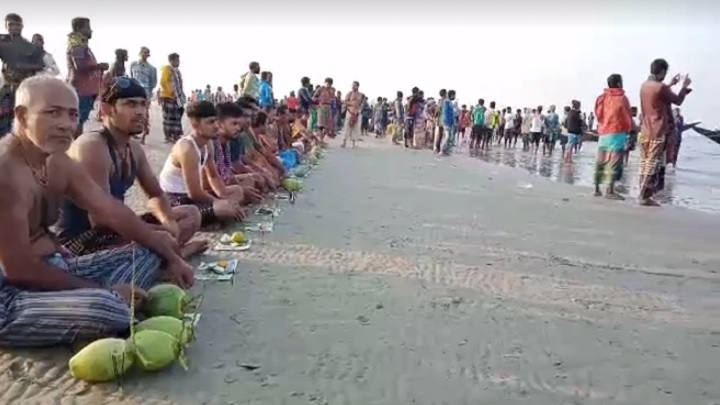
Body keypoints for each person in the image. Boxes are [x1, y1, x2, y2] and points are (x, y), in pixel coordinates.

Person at [0, 75, 194, 347]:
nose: (66, 124)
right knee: (110, 308)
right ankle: (106, 304)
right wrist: (104, 291)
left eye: (72, 114)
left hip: (55, 264)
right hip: (8, 296)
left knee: (150, 250)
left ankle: (104, 302)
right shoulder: (6, 171)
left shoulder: (57, 162)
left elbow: (112, 210)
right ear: (22, 116)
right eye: (52, 112)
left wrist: (172, 257)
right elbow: (18, 269)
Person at [56, 76, 207, 258]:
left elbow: (156, 194)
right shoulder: (92, 147)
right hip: (82, 240)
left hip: (115, 228)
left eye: (143, 104)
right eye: (131, 104)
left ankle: (165, 255)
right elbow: (101, 220)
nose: (140, 112)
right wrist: (158, 232)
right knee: (162, 238)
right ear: (107, 109)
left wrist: (167, 220)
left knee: (191, 214)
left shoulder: (133, 148)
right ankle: (172, 255)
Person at [159, 100, 247, 224]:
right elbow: (194, 192)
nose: (216, 126)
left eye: (216, 121)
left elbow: (213, 176)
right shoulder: (187, 149)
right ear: (195, 125)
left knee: (237, 191)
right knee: (223, 209)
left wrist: (223, 196)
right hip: (175, 199)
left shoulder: (208, 144)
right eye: (210, 122)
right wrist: (218, 202)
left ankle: (216, 214)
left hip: (190, 196)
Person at [638, 58, 692, 207]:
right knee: (653, 162)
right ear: (662, 71)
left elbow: (657, 93)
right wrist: (684, 86)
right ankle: (644, 196)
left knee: (644, 161)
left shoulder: (644, 85)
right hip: (657, 129)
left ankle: (643, 192)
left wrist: (671, 84)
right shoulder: (661, 87)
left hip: (645, 129)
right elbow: (677, 100)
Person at [1, 14, 46, 137]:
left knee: (24, 120)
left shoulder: (31, 47)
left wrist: (22, 66)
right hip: (7, 89)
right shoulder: (3, 44)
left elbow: (41, 65)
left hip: (26, 89)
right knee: (5, 123)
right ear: (6, 26)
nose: (14, 27)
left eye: (17, 25)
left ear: (22, 26)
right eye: (11, 24)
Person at [67, 17, 108, 137]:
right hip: (81, 89)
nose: (91, 31)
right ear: (79, 29)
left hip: (85, 89)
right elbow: (79, 66)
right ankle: (76, 146)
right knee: (78, 120)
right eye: (88, 28)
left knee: (79, 120)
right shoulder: (77, 45)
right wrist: (98, 66)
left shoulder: (82, 45)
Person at [593, 74, 633, 200]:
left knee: (601, 160)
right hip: (617, 131)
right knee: (614, 162)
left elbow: (598, 114)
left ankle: (596, 189)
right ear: (619, 84)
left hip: (603, 132)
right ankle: (609, 190)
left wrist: (603, 124)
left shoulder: (601, 97)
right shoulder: (622, 98)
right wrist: (629, 128)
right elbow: (627, 116)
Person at [129, 46, 157, 144]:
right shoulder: (133, 64)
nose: (144, 54)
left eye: (146, 53)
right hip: (133, 91)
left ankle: (144, 136)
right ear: (140, 53)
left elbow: (153, 83)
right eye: (143, 52)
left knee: (144, 114)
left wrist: (147, 90)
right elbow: (131, 76)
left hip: (145, 92)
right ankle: (132, 132)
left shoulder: (151, 68)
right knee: (132, 112)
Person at [159, 53, 186, 143]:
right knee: (168, 118)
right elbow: (163, 82)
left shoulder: (177, 71)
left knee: (177, 116)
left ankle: (175, 135)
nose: (178, 62)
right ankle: (168, 136)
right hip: (168, 97)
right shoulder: (167, 69)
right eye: (177, 60)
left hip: (177, 98)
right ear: (171, 61)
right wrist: (171, 91)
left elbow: (179, 85)